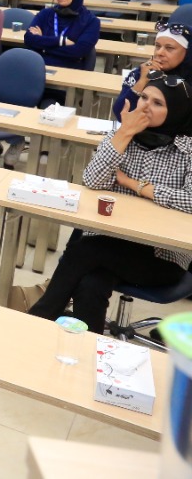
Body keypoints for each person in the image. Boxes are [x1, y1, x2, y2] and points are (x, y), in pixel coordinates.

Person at [22, 79, 192, 333]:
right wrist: (124, 133)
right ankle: (86, 348)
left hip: (161, 256)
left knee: (84, 250)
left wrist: (135, 185)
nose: (145, 106)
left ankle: (38, 318)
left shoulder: (187, 150)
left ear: (177, 110)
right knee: (90, 284)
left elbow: (190, 200)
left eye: (157, 103)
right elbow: (91, 180)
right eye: (143, 98)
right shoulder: (121, 136)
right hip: (110, 241)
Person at [113, 21, 192, 119]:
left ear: (187, 52)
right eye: (158, 46)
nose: (159, 52)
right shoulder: (142, 72)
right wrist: (142, 81)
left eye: (169, 48)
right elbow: (121, 114)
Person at [23, 0, 100, 71]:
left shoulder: (91, 21)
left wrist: (43, 45)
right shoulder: (46, 14)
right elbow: (28, 39)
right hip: (39, 67)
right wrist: (61, 41)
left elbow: (78, 51)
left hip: (71, 71)